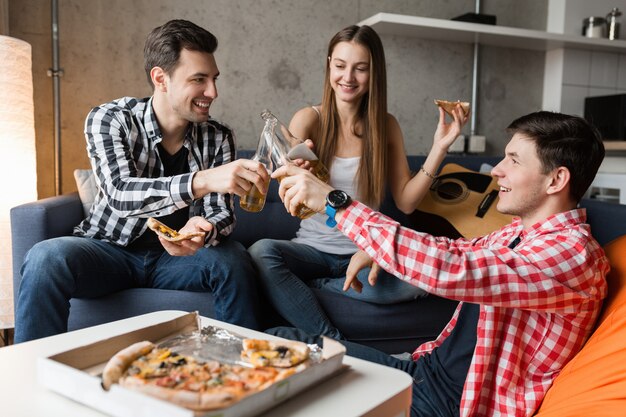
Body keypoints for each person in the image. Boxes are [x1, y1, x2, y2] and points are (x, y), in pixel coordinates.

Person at [269, 111, 609, 417]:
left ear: (556, 180)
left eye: (514, 160)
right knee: (281, 343)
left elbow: (452, 268)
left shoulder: (570, 255)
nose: (498, 171)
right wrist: (375, 247)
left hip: (451, 405)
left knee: (292, 385)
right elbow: (455, 249)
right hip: (423, 372)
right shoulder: (518, 235)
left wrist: (337, 204)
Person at [14, 19, 270, 343]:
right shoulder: (111, 119)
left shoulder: (218, 137)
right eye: (199, 80)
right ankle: (30, 376)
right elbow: (120, 193)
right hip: (108, 250)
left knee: (233, 259)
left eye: (214, 79)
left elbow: (221, 211)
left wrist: (203, 229)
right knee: (44, 258)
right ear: (160, 78)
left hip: (178, 260)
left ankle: (248, 372)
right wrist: (202, 180)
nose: (213, 92)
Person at [248, 25, 468, 339]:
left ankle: (322, 289)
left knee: (421, 281)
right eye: (340, 66)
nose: (348, 77)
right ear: (328, 66)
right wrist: (299, 172)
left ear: (374, 72)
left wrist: (440, 147)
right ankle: (331, 340)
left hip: (367, 253)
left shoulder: (386, 126)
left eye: (360, 68)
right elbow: (294, 205)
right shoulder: (309, 119)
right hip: (312, 252)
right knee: (261, 253)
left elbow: (406, 200)